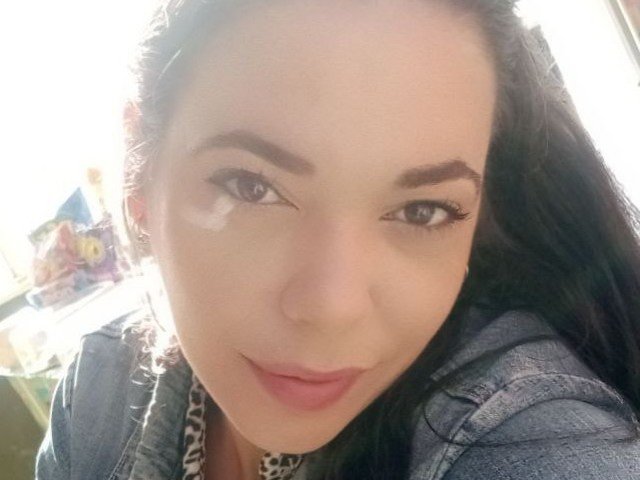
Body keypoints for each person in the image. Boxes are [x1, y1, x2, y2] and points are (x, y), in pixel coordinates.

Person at [36, 0, 640, 478]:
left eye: (422, 211)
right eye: (251, 186)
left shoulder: (528, 436)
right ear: (140, 170)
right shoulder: (96, 392)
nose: (332, 307)